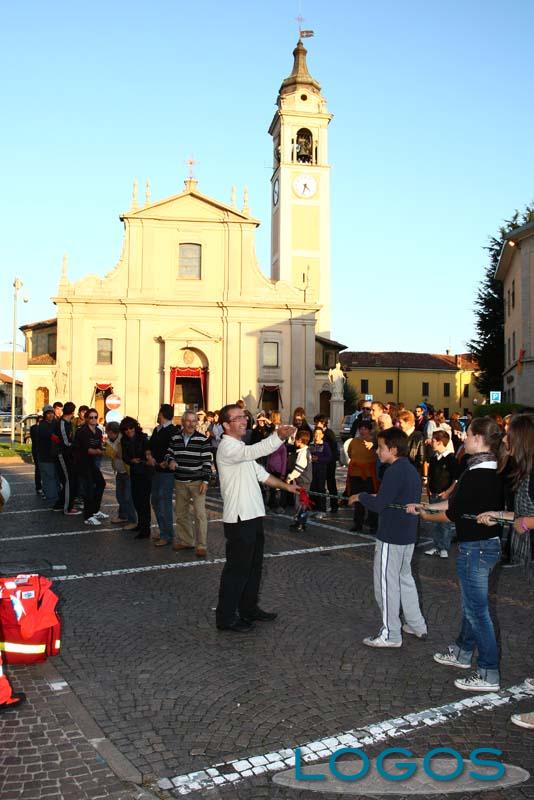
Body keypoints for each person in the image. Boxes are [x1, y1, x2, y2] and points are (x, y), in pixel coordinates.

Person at [410, 416, 505, 691]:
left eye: (468, 435)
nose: (463, 439)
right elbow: (457, 505)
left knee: (477, 611)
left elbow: (453, 514)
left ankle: (488, 672)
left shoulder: (477, 474)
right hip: (486, 545)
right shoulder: (495, 469)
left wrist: (425, 514)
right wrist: (428, 507)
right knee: (471, 606)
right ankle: (463, 651)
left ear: (477, 439)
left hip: (475, 547)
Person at [215, 404, 299, 632]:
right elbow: (254, 452)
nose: (244, 420)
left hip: (253, 516)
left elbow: (262, 475)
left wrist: (287, 487)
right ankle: (225, 618)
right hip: (239, 519)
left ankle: (249, 609)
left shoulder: (240, 447)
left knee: (254, 568)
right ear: (225, 425)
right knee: (237, 571)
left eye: (244, 417)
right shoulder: (228, 448)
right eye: (238, 418)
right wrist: (278, 436)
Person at [477, 413, 534, 724]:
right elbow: (522, 513)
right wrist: (499, 514)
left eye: (510, 436)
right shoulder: (524, 471)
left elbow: (529, 517)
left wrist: (525, 522)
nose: (505, 440)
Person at [349, 427, 426, 648]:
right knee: (405, 580)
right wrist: (370, 496)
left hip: (391, 536)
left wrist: (360, 496)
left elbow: (380, 504)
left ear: (392, 449)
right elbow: (391, 498)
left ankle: (391, 634)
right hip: (408, 534)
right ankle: (416, 624)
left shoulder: (394, 471)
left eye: (381, 448)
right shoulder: (410, 469)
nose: (377, 452)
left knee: (385, 585)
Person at [166, 410, 212, 557]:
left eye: (194, 421)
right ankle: (186, 541)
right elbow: (169, 453)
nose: (192, 424)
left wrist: (205, 480)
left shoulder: (203, 439)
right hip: (179, 482)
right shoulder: (175, 438)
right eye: (188, 421)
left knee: (200, 515)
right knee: (181, 513)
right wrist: (171, 460)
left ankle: (201, 545)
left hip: (197, 482)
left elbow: (207, 462)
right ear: (183, 422)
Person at [147, 404, 177, 547]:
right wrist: (149, 456)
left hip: (166, 473)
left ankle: (167, 534)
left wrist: (164, 462)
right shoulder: (157, 429)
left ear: (162, 414)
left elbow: (174, 449)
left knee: (165, 502)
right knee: (155, 501)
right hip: (155, 470)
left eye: (159, 413)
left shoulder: (173, 430)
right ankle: (163, 530)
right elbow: (150, 446)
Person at [423, 430, 457, 558]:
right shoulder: (433, 457)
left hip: (444, 496)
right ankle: (437, 546)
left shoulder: (451, 458)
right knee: (436, 522)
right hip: (434, 494)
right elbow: (430, 475)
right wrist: (428, 488)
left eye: (433, 440)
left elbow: (456, 479)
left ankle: (444, 547)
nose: (431, 442)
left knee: (445, 523)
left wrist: (447, 492)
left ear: (439, 442)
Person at [120, 416, 152, 539]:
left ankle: (146, 529)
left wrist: (143, 460)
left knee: (144, 502)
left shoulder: (143, 438)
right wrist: (131, 460)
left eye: (131, 428)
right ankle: (141, 524)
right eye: (126, 429)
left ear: (135, 427)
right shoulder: (124, 440)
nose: (129, 431)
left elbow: (149, 453)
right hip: (134, 472)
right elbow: (124, 457)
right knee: (136, 500)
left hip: (145, 473)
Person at [75, 408, 108, 526]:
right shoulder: (82, 431)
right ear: (86, 418)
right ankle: (88, 516)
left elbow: (99, 446)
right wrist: (103, 452)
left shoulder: (98, 431)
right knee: (88, 488)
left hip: (92, 463)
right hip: (82, 463)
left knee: (101, 483)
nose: (93, 419)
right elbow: (88, 450)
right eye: (91, 417)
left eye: (95, 417)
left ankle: (95, 510)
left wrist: (105, 449)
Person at [347, 419, 379, 533]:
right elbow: (350, 453)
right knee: (357, 500)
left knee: (371, 499)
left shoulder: (374, 443)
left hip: (369, 475)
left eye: (365, 428)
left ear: (370, 430)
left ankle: (373, 525)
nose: (362, 431)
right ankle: (358, 524)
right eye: (360, 428)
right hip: (356, 474)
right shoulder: (354, 441)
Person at [105, 421, 137, 528]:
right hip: (119, 472)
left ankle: (133, 520)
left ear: (112, 432)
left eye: (108, 432)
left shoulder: (122, 440)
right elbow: (109, 453)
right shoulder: (110, 441)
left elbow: (121, 454)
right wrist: (115, 453)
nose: (107, 435)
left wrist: (115, 453)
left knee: (128, 497)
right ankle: (123, 516)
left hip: (128, 472)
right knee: (120, 496)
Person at [56, 401, 81, 515]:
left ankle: (61, 504)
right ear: (72, 412)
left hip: (69, 455)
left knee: (70, 480)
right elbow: (66, 442)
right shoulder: (62, 423)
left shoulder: (68, 423)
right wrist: (78, 445)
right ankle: (67, 508)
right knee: (68, 481)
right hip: (63, 455)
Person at [35, 405, 61, 509]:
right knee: (48, 477)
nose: (50, 415)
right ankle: (51, 497)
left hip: (55, 456)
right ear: (45, 415)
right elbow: (51, 436)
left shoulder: (56, 423)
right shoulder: (42, 425)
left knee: (56, 477)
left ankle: (56, 495)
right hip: (45, 456)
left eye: (51, 413)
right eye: (48, 413)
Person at [287, 430, 312, 531]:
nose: (295, 442)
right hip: (304, 481)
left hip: (302, 481)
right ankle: (300, 523)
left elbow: (298, 469)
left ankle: (300, 524)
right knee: (303, 502)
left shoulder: (303, 453)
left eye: (296, 439)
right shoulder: (306, 451)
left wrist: (289, 477)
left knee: (300, 503)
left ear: (300, 441)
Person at [314, 414, 340, 514]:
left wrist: (330, 460)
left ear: (323, 423)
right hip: (320, 464)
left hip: (329, 463)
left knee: (331, 484)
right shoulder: (317, 432)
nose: (316, 424)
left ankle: (334, 505)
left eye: (318, 422)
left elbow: (334, 449)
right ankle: (319, 506)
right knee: (319, 485)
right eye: (315, 422)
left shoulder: (329, 433)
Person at [309, 426, 332, 520]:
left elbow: (329, 457)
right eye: (315, 434)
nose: (317, 436)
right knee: (312, 489)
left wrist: (318, 459)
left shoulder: (325, 445)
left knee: (321, 489)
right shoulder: (310, 445)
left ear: (322, 435)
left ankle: (322, 510)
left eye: (319, 434)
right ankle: (313, 509)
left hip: (321, 470)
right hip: (311, 470)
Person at [29, 414, 43, 495]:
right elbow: (35, 438)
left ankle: (40, 487)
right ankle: (38, 487)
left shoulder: (36, 428)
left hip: (41, 450)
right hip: (37, 450)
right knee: (38, 469)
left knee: (41, 469)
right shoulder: (34, 428)